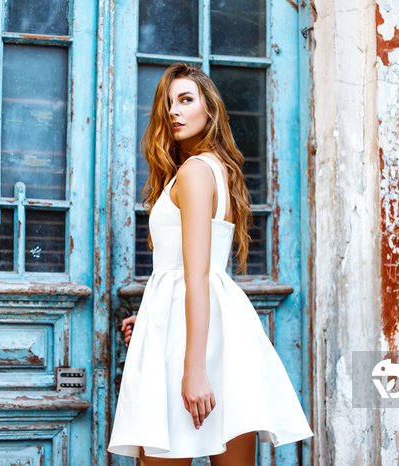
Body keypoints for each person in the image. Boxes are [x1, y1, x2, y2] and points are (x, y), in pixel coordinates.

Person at [108, 62, 313, 465]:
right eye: (168, 103)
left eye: (186, 99)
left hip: (193, 343)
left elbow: (196, 275)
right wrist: (151, 318)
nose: (174, 111)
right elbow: (188, 274)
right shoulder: (214, 170)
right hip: (214, 332)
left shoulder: (194, 172)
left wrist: (195, 369)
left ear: (210, 110)